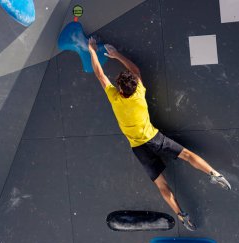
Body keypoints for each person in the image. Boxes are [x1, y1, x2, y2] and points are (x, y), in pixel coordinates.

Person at [87, 38, 231, 231]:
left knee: (162, 185)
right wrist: (116, 55)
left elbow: (99, 74)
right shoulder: (138, 92)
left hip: (139, 149)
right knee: (187, 155)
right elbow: (136, 71)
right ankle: (214, 174)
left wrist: (92, 51)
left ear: (120, 90)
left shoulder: (114, 97)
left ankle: (181, 215)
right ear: (133, 87)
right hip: (155, 139)